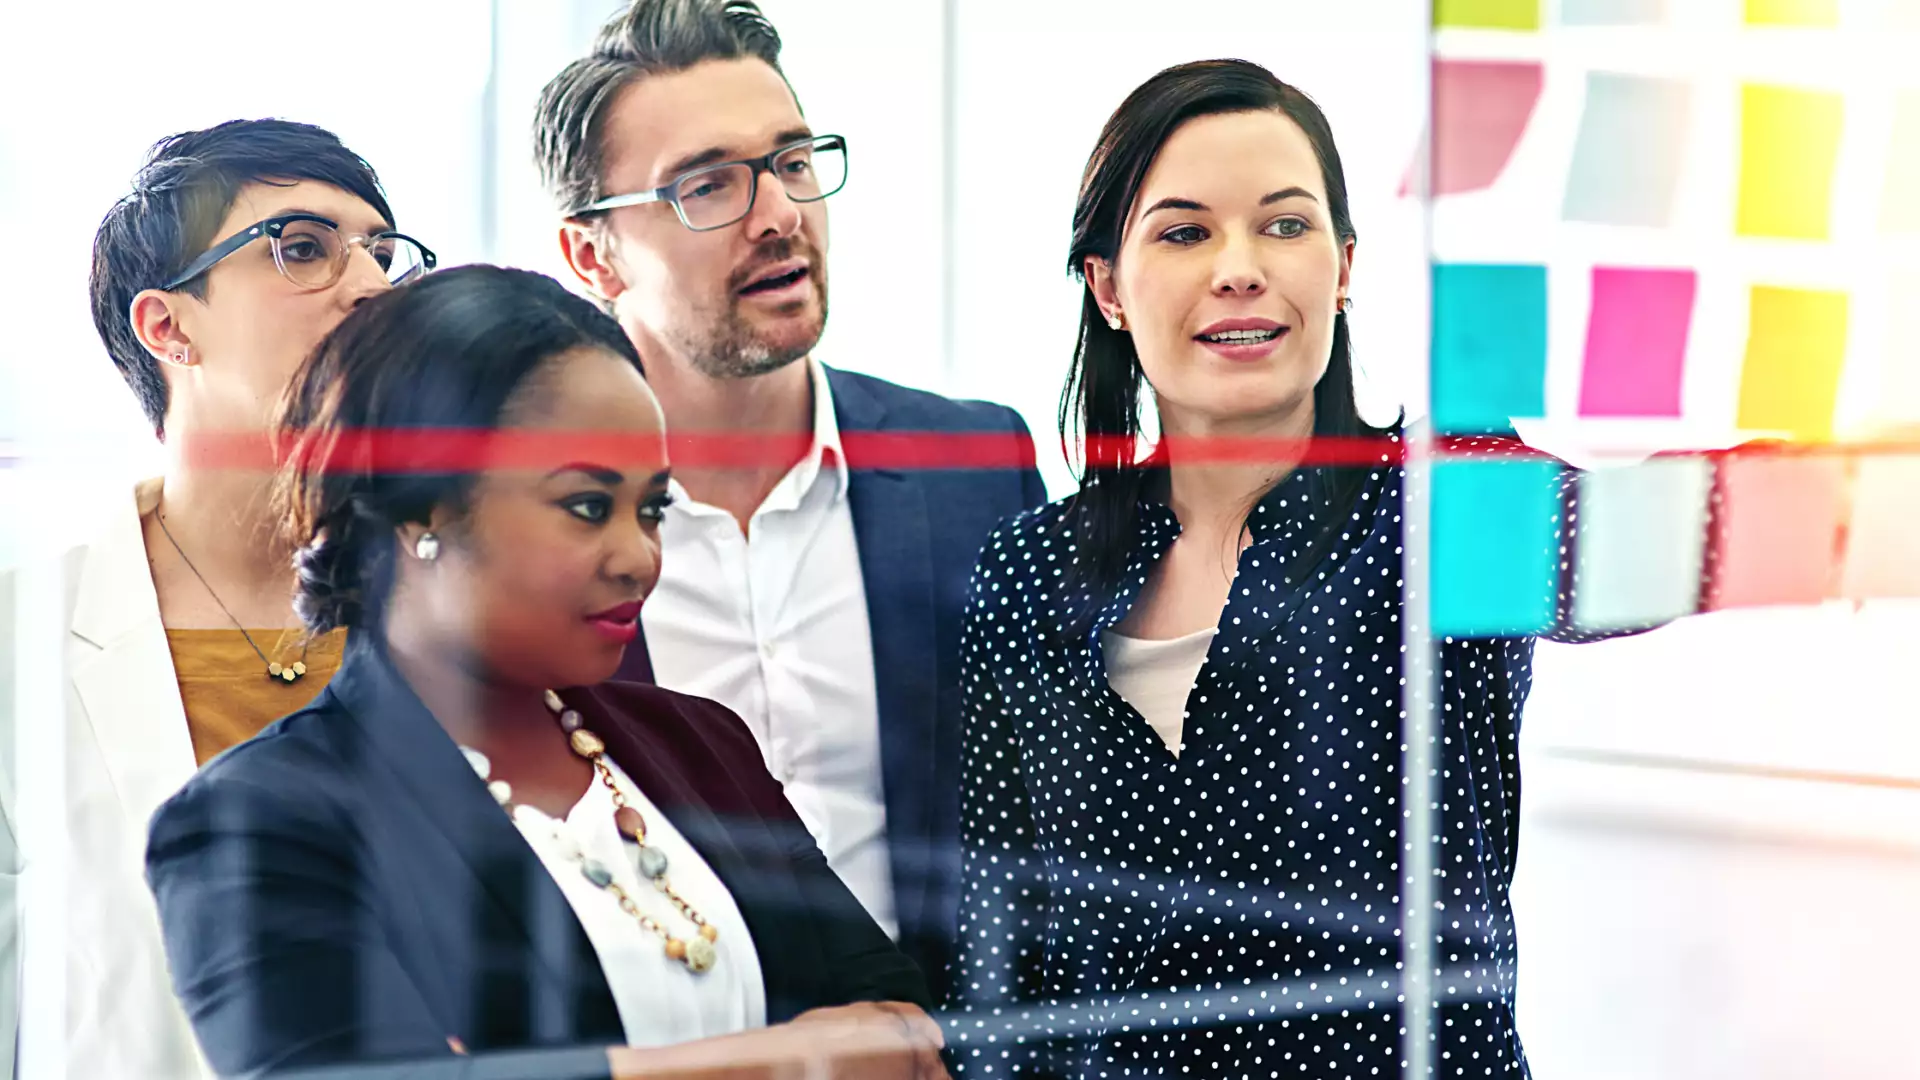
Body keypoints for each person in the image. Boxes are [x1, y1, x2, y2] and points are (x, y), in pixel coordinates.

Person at [945, 60, 1694, 1078]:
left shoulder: (1438, 505)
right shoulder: (1030, 569)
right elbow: (998, 958)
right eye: (1185, 231)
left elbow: (1666, 541)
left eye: (1285, 225)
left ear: (1343, 267)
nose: (1240, 267)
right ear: (1109, 287)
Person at [144, 265, 951, 1079]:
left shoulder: (703, 745)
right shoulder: (256, 823)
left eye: (653, 509)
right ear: (422, 509)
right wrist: (796, 1057)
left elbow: (904, 1029)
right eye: (588, 507)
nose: (640, 557)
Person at [533, 0, 1048, 1005]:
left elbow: (1044, 839)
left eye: (794, 162)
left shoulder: (975, 466)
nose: (779, 214)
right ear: (592, 256)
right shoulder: (529, 531)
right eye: (709, 185)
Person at [0, 119, 433, 1080]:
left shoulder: (467, 612)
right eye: (304, 249)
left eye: (382, 253)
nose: (370, 287)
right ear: (168, 327)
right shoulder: (18, 647)